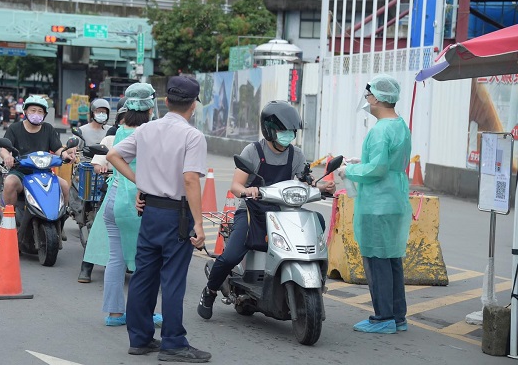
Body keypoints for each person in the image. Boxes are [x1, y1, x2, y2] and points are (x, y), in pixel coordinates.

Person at [197, 100, 336, 320]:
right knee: (230, 255)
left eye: (291, 131)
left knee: (317, 219)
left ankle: (313, 282)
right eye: (283, 131)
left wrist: (321, 187)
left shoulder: (296, 154)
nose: (288, 135)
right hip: (254, 211)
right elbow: (236, 185)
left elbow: (304, 182)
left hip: (283, 212)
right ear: (270, 130)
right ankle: (210, 290)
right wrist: (247, 190)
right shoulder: (253, 151)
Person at [106, 75, 211, 362]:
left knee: (144, 275)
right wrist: (199, 224)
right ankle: (174, 343)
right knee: (173, 279)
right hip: (177, 215)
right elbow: (190, 179)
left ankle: (139, 339)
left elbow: (113, 155)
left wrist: (140, 182)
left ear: (165, 102)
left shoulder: (147, 129)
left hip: (149, 211)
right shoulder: (193, 136)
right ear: (193, 106)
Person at [338, 74, 412, 334]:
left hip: (377, 202)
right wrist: (364, 161)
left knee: (376, 260)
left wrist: (351, 172)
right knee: (392, 259)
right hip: (395, 199)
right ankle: (398, 316)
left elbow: (378, 170)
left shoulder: (379, 130)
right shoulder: (400, 125)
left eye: (369, 96)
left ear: (379, 98)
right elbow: (389, 163)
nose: (367, 101)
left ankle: (383, 318)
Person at [84, 83, 162, 328]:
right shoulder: (150, 132)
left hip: (113, 201)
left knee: (116, 259)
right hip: (136, 203)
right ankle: (145, 314)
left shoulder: (120, 130)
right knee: (145, 262)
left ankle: (115, 314)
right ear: (150, 107)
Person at [0, 95, 76, 209]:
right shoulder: (14, 128)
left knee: (64, 186)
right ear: (25, 111)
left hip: (44, 173)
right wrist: (7, 157)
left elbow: (58, 148)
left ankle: (60, 219)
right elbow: (4, 149)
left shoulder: (48, 129)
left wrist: (66, 155)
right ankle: (8, 218)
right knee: (10, 183)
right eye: (33, 110)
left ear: (45, 114)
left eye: (40, 111)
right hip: (20, 172)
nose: (37, 113)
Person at [75, 98, 112, 283]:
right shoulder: (112, 135)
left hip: (133, 188)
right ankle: (86, 266)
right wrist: (99, 166)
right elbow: (98, 161)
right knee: (100, 226)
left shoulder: (140, 134)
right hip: (109, 182)